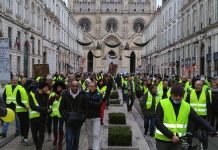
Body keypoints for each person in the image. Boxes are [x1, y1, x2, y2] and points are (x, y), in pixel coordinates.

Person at [155, 83, 216, 150]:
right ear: (171, 94)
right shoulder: (162, 103)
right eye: (175, 95)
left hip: (178, 141)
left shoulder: (186, 106)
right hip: (163, 140)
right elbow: (158, 122)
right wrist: (171, 136)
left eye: (180, 96)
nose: (178, 97)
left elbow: (198, 118)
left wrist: (211, 129)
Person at [59, 80, 86, 150]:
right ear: (70, 86)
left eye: (76, 86)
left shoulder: (82, 95)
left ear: (78, 86)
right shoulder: (66, 95)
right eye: (73, 86)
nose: (75, 87)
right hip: (69, 121)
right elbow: (61, 109)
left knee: (76, 139)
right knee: (69, 139)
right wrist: (66, 118)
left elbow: (86, 108)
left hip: (78, 121)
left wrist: (83, 118)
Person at [186, 80, 211, 149]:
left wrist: (209, 119)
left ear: (202, 86)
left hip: (202, 117)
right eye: (196, 84)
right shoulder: (190, 92)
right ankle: (189, 147)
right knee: (189, 133)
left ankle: (204, 147)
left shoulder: (206, 93)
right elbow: (186, 105)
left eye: (199, 85)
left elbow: (208, 106)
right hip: (192, 117)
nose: (197, 86)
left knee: (204, 134)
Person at [29, 81, 50, 150]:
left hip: (43, 118)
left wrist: (49, 110)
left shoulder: (46, 95)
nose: (47, 89)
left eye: (48, 88)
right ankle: (37, 146)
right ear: (41, 87)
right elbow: (32, 106)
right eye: (46, 87)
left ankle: (39, 148)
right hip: (34, 118)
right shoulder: (32, 94)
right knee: (34, 134)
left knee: (41, 134)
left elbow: (47, 106)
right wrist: (45, 109)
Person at [48, 81, 66, 150]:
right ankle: (55, 138)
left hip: (61, 114)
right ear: (56, 88)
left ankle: (60, 143)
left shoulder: (64, 94)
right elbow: (48, 104)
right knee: (54, 128)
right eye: (58, 87)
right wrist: (52, 100)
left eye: (60, 87)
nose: (59, 88)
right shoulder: (52, 94)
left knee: (60, 129)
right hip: (54, 114)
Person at [85, 82, 102, 150]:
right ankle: (91, 147)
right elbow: (85, 103)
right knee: (89, 134)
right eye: (90, 86)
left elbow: (98, 105)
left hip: (96, 117)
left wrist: (89, 101)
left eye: (92, 86)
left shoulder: (98, 94)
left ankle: (96, 148)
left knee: (96, 134)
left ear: (95, 87)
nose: (91, 88)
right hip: (88, 117)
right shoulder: (86, 94)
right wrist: (93, 101)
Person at [16, 77, 30, 146]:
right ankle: (22, 136)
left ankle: (25, 138)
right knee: (22, 124)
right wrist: (25, 106)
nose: (22, 82)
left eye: (24, 81)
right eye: (22, 81)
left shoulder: (28, 89)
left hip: (26, 110)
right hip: (20, 110)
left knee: (26, 124)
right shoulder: (20, 89)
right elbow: (18, 101)